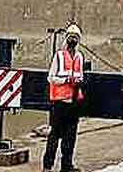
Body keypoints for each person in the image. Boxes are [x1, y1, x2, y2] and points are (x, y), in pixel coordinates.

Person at [43, 24, 86, 172]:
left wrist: (78, 81)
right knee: (55, 135)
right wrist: (66, 80)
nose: (73, 40)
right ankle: (47, 166)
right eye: (71, 37)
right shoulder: (59, 56)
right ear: (67, 38)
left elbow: (80, 76)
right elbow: (51, 77)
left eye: (75, 37)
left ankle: (66, 166)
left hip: (74, 102)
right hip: (59, 102)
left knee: (70, 137)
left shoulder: (79, 57)